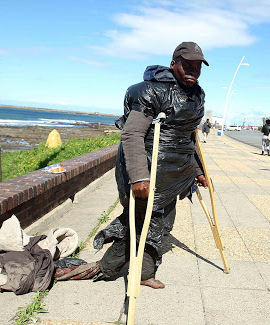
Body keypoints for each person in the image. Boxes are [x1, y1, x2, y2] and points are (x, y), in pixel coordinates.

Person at [92, 42, 209, 289]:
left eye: (197, 66)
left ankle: (144, 273)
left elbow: (188, 136)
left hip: (176, 173)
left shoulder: (196, 95)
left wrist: (198, 172)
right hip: (147, 168)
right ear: (173, 63)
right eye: (187, 64)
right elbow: (132, 134)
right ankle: (105, 268)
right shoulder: (150, 92)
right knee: (140, 222)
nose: (192, 70)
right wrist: (138, 177)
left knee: (163, 224)